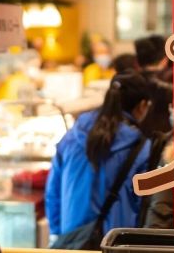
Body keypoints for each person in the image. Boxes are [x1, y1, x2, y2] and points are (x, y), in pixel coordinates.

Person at [46, 73, 152, 244]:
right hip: (115, 243)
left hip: (71, 241)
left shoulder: (72, 136)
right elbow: (143, 204)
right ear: (142, 106)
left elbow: (53, 191)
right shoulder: (141, 148)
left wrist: (59, 235)